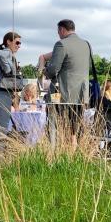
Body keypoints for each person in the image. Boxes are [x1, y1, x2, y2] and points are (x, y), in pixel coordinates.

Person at [43, 19, 91, 147]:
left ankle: (56, 154)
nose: (58, 34)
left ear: (62, 30)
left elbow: (53, 70)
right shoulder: (86, 44)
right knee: (74, 130)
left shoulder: (61, 44)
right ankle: (73, 155)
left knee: (55, 127)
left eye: (58, 32)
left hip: (62, 95)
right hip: (81, 95)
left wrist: (43, 70)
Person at [0, 32, 22, 135]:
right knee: (0, 129)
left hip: (4, 93)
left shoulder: (10, 56)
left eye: (20, 43)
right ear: (8, 42)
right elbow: (7, 69)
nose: (18, 45)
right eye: (17, 42)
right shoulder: (5, 53)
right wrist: (9, 53)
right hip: (1, 93)